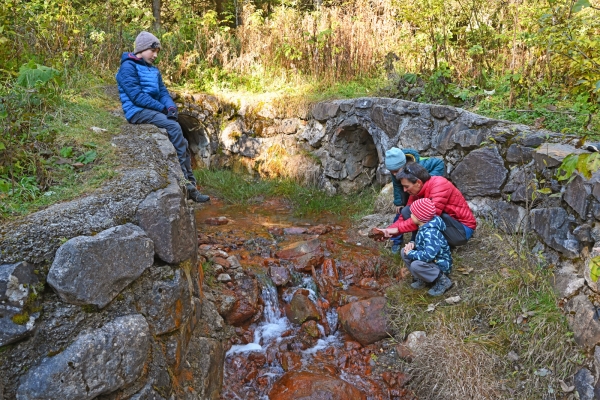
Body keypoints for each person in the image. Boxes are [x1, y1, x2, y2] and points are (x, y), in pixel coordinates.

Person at [116, 31, 209, 203]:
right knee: (174, 127)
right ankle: (189, 188)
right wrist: (162, 109)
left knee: (180, 138)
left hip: (152, 109)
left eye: (157, 51)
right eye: (153, 51)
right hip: (137, 111)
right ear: (142, 49)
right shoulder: (128, 67)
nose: (155, 55)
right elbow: (136, 96)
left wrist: (171, 107)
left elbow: (163, 93)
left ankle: (190, 185)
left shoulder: (153, 70)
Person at [376, 162, 476, 247]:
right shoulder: (416, 191)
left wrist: (396, 230)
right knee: (408, 210)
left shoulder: (439, 184)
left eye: (406, 186)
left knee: (427, 215)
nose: (404, 190)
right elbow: (403, 216)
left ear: (418, 183)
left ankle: (426, 245)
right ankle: (421, 241)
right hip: (448, 223)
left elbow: (426, 218)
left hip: (461, 231)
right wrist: (387, 231)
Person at [384, 147, 445, 253]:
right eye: (391, 172)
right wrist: (399, 202)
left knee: (418, 217)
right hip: (409, 191)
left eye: (396, 171)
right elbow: (397, 187)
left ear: (403, 165)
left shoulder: (421, 165)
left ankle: (415, 241)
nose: (394, 174)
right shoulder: (395, 171)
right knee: (401, 214)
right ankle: (396, 241)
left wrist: (428, 182)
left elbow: (439, 163)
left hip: (421, 192)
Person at [401, 198, 453, 296]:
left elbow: (429, 255)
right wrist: (413, 244)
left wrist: (411, 253)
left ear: (420, 217)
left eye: (412, 214)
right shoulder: (424, 227)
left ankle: (443, 280)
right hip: (430, 260)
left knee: (415, 264)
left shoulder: (430, 232)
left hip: (440, 264)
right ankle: (422, 277)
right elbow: (423, 244)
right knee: (404, 251)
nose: (410, 215)